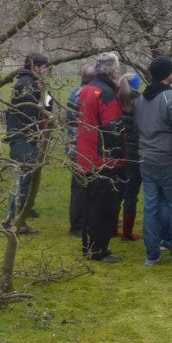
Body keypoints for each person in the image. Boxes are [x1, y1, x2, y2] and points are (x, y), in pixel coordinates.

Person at [135, 55, 172, 265]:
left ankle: (152, 255)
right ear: (168, 74)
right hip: (168, 160)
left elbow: (137, 128)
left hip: (146, 159)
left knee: (151, 206)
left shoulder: (141, 99)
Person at [75, 52, 126, 262]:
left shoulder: (86, 90)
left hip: (85, 155)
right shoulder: (106, 94)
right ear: (113, 71)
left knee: (89, 204)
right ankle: (99, 249)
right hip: (102, 159)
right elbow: (113, 128)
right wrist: (121, 155)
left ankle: (89, 245)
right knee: (104, 206)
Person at [2, 51, 52, 234]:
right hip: (22, 137)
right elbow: (42, 108)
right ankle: (13, 222)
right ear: (37, 68)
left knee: (24, 179)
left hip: (24, 135)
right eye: (44, 68)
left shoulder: (27, 83)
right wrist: (44, 95)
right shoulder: (27, 85)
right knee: (22, 179)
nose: (45, 72)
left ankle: (19, 217)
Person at [64, 61, 96, 236]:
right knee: (81, 188)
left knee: (79, 186)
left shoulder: (74, 92)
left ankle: (81, 221)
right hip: (79, 147)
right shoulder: (85, 95)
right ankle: (77, 225)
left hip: (73, 145)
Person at [115, 74, 143, 242]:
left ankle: (112, 227)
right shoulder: (140, 102)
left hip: (117, 151)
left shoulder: (114, 100)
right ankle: (127, 232)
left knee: (116, 190)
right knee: (131, 193)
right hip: (134, 154)